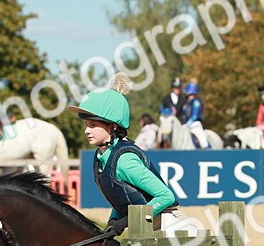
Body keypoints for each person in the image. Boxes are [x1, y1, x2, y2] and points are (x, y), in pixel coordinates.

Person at [69, 72, 177, 237]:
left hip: (170, 229)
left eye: (92, 125)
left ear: (112, 127)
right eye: (86, 124)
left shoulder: (125, 160)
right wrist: (114, 219)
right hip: (146, 230)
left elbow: (166, 196)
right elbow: (122, 193)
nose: (86, 131)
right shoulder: (101, 157)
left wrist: (127, 221)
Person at [179, 82, 208, 149]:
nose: (190, 96)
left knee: (203, 143)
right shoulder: (186, 104)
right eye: (188, 95)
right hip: (185, 126)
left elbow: (194, 116)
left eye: (191, 94)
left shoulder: (196, 102)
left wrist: (187, 124)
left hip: (195, 125)